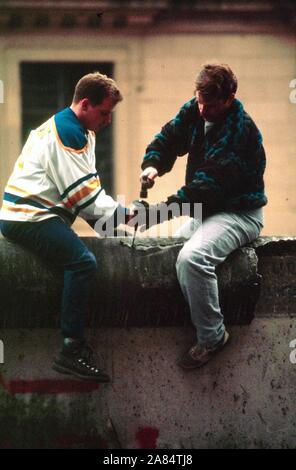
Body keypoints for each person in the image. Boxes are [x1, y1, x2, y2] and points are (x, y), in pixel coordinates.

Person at [0, 72, 131, 382]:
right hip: (28, 217)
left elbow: (81, 194)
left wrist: (110, 227)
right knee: (83, 263)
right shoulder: (69, 134)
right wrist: (124, 215)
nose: (108, 120)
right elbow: (84, 198)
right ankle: (71, 350)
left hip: (32, 213)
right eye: (104, 112)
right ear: (85, 104)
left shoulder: (76, 128)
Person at [138, 63, 267, 370]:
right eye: (198, 102)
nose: (202, 110)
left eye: (209, 105)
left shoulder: (240, 131)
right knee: (168, 252)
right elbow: (169, 138)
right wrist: (153, 164)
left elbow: (206, 188)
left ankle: (212, 336)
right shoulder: (196, 109)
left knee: (192, 259)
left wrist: (156, 214)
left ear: (230, 98)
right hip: (207, 210)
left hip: (239, 213)